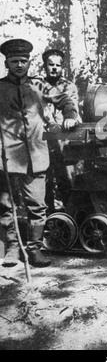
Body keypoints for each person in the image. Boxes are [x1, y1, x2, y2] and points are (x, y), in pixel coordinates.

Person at [0, 39, 78, 268]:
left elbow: (65, 100)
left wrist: (70, 115)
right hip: (6, 158)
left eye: (23, 61)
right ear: (6, 62)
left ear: (29, 62)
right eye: (14, 61)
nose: (19, 65)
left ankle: (34, 249)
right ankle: (13, 248)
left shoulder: (40, 85)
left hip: (36, 156)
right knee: (7, 205)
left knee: (37, 205)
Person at [42, 48, 81, 213]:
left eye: (58, 65)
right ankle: (48, 220)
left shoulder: (69, 87)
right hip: (42, 141)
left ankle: (72, 217)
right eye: (50, 64)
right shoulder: (37, 85)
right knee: (45, 182)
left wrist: (70, 119)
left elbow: (73, 110)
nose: (54, 68)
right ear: (45, 66)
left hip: (63, 141)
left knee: (67, 180)